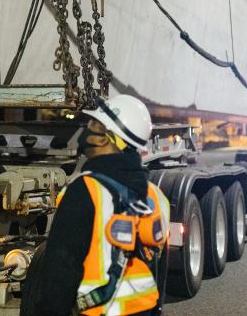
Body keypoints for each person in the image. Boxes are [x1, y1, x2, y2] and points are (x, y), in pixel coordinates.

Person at [22, 94, 170, 316]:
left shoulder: (84, 192)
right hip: (145, 308)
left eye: (95, 125)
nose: (87, 130)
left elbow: (60, 272)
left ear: (109, 139)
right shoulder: (154, 195)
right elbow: (157, 264)